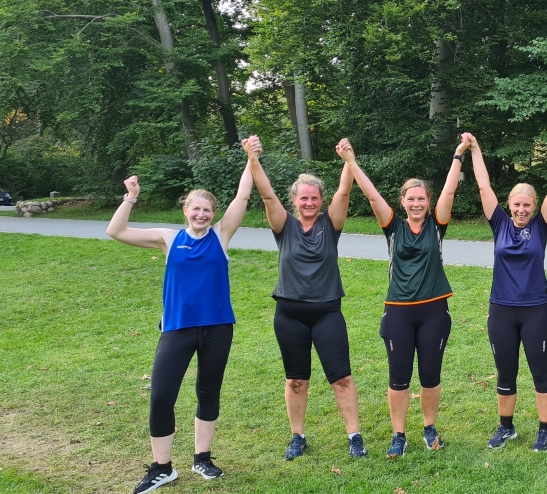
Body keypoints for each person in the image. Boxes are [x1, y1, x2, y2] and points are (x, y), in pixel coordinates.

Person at [106, 150, 252, 493]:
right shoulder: (169, 239)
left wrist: (251, 158)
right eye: (195, 208)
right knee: (161, 396)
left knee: (208, 391)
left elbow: (243, 195)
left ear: (213, 214)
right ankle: (162, 467)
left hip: (217, 328)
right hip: (177, 328)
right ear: (185, 211)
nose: (201, 214)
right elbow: (116, 231)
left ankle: (202, 458)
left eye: (207, 210)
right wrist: (131, 197)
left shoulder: (221, 236)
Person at [342, 135, 464, 458]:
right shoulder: (392, 227)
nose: (416, 203)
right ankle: (399, 434)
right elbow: (370, 195)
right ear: (402, 201)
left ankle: (429, 427)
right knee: (398, 377)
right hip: (398, 311)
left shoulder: (437, 226)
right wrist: (351, 162)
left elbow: (450, 190)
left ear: (428, 201)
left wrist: (458, 154)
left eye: (421, 198)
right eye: (411, 199)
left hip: (434, 311)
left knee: (430, 375)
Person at [247, 135, 366, 460]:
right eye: (304, 199)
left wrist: (348, 160)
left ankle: (355, 437)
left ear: (320, 200)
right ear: (295, 200)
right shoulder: (283, 225)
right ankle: (297, 437)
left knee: (341, 378)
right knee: (296, 380)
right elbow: (266, 194)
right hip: (289, 316)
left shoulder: (332, 223)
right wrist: (253, 158)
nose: (310, 203)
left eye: (314, 198)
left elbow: (344, 191)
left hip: (327, 313)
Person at [468, 133, 547, 452]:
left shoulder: (541, 226)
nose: (522, 209)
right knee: (506, 371)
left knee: (540, 371)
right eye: (517, 204)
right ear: (509, 205)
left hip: (536, 309)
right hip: (501, 309)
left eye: (527, 205)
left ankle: (544, 430)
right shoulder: (499, 223)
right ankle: (506, 427)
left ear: (534, 207)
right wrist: (475, 148)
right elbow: (484, 186)